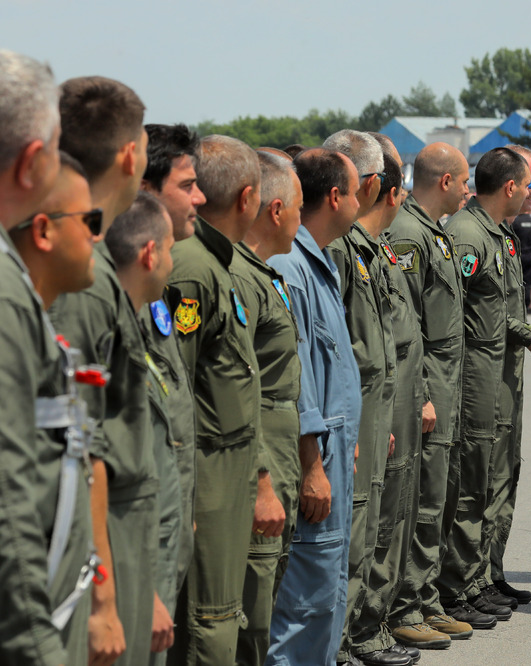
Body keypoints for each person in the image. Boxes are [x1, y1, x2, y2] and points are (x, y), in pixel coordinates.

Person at [50, 75, 157, 666]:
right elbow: (80, 446)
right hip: (104, 536)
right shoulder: (83, 277)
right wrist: (103, 600)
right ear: (128, 155)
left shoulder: (87, 260)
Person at [168, 135, 263, 665]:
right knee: (209, 621)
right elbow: (176, 382)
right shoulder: (194, 268)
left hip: (229, 466)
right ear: (248, 199)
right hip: (206, 472)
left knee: (223, 615)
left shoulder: (215, 263)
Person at [266, 148, 362, 666]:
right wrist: (312, 467)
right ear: (335, 197)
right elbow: (293, 378)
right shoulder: (291, 267)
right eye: (354, 190)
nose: (359, 201)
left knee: (325, 594)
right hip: (315, 461)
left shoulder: (316, 260)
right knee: (304, 603)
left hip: (334, 453)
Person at [2, 140, 96, 666]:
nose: (99, 235)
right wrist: (38, 646)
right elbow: (7, 500)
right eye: (90, 219)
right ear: (42, 231)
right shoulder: (8, 306)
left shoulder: (28, 307)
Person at [437, 147, 531, 625]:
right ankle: (458, 585)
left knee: (496, 476)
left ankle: (480, 576)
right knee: (471, 480)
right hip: (475, 377)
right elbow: (447, 317)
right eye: (530, 185)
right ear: (511, 187)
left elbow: (499, 313)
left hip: (500, 373)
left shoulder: (498, 234)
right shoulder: (466, 235)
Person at [385, 143, 479, 644]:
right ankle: (406, 607)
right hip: (429, 388)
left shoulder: (432, 233)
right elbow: (408, 327)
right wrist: (422, 392)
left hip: (448, 385)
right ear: (445, 181)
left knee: (439, 496)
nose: (470, 190)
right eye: (465, 180)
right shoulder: (407, 234)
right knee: (422, 499)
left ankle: (426, 597)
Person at [325, 130, 404, 666]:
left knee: (369, 524)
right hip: (352, 412)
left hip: (373, 406)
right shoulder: (337, 249)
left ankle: (354, 636)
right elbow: (336, 348)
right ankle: (342, 642)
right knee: (351, 531)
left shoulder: (362, 247)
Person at [229, 150, 302, 666]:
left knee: (268, 594)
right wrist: (261, 482)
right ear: (277, 211)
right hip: (261, 461)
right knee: (251, 609)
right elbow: (237, 391)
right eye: (298, 206)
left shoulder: (264, 273)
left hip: (281, 451)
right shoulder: (242, 279)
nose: (303, 218)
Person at [103, 193, 180, 662]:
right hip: (125, 560)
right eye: (171, 249)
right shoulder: (110, 330)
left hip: (153, 536)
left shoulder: (132, 321)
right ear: (150, 254)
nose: (176, 262)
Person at [138, 125, 202, 654]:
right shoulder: (113, 289)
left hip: (169, 514)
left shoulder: (154, 286)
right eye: (186, 184)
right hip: (136, 540)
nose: (199, 197)